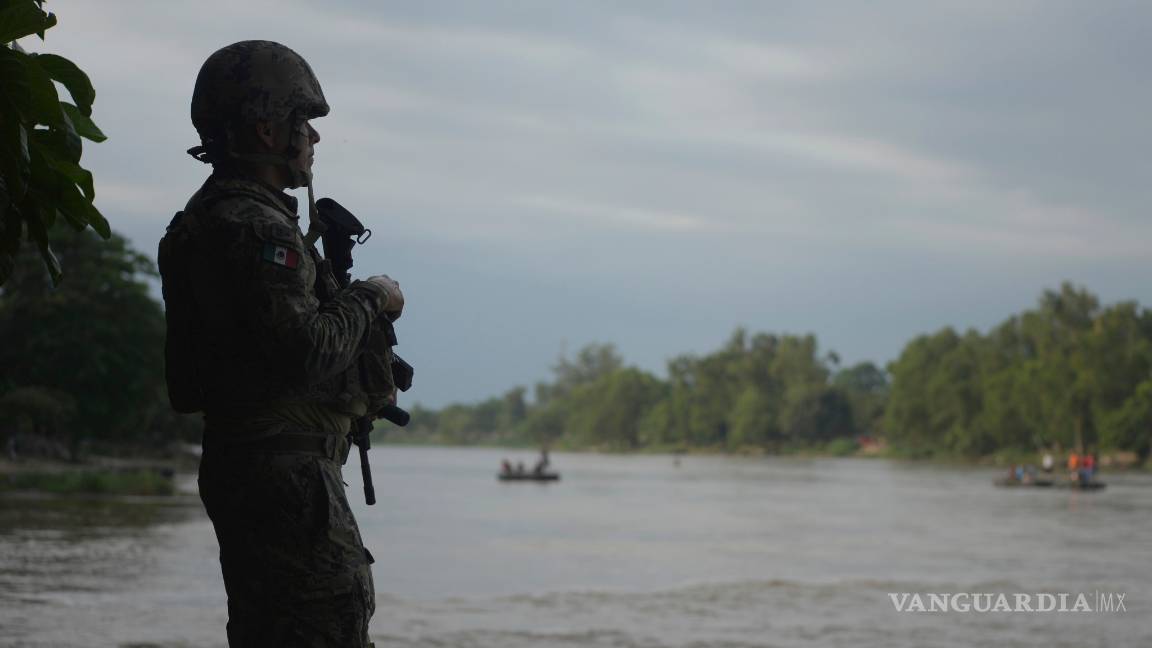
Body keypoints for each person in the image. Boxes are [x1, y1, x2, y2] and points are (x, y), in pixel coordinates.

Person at [158, 41, 404, 647]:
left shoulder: (199, 223)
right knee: (326, 625)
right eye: (304, 125)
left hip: (255, 466)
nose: (313, 142)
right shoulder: (256, 225)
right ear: (267, 130)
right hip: (288, 477)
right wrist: (373, 297)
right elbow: (305, 353)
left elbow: (192, 383)